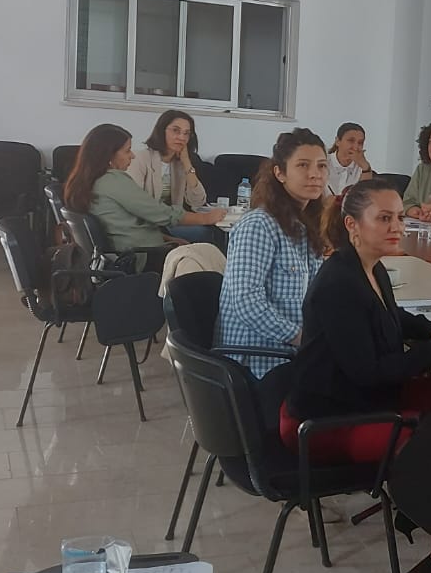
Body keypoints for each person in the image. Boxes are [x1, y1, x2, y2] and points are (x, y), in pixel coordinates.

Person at [281, 180, 431, 573]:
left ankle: (424, 499)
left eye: (399, 216)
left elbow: (393, 318)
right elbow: (369, 373)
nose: (397, 226)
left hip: (359, 398)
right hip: (327, 421)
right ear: (353, 225)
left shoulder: (370, 267)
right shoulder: (339, 283)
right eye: (384, 218)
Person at [217, 129, 329, 381]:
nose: (315, 174)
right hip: (261, 361)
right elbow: (247, 302)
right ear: (280, 173)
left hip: (293, 352)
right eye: (303, 165)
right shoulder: (259, 225)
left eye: (322, 166)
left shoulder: (305, 224)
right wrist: (304, 338)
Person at [64, 122, 224, 263]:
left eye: (186, 133)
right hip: (141, 257)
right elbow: (158, 212)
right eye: (127, 151)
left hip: (136, 250)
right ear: (109, 155)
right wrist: (206, 218)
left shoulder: (90, 180)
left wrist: (167, 239)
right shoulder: (113, 180)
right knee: (210, 256)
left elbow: (126, 222)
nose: (132, 156)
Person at [124, 110, 211, 244]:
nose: (181, 137)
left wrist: (187, 163)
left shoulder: (180, 164)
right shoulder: (140, 159)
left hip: (169, 222)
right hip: (147, 224)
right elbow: (135, 205)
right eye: (176, 131)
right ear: (161, 131)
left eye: (186, 133)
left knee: (211, 230)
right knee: (204, 233)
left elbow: (197, 202)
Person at [325, 122, 373, 198]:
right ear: (337, 141)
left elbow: (363, 198)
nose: (355, 147)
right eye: (351, 141)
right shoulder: (324, 162)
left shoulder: (363, 169)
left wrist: (365, 167)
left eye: (360, 143)